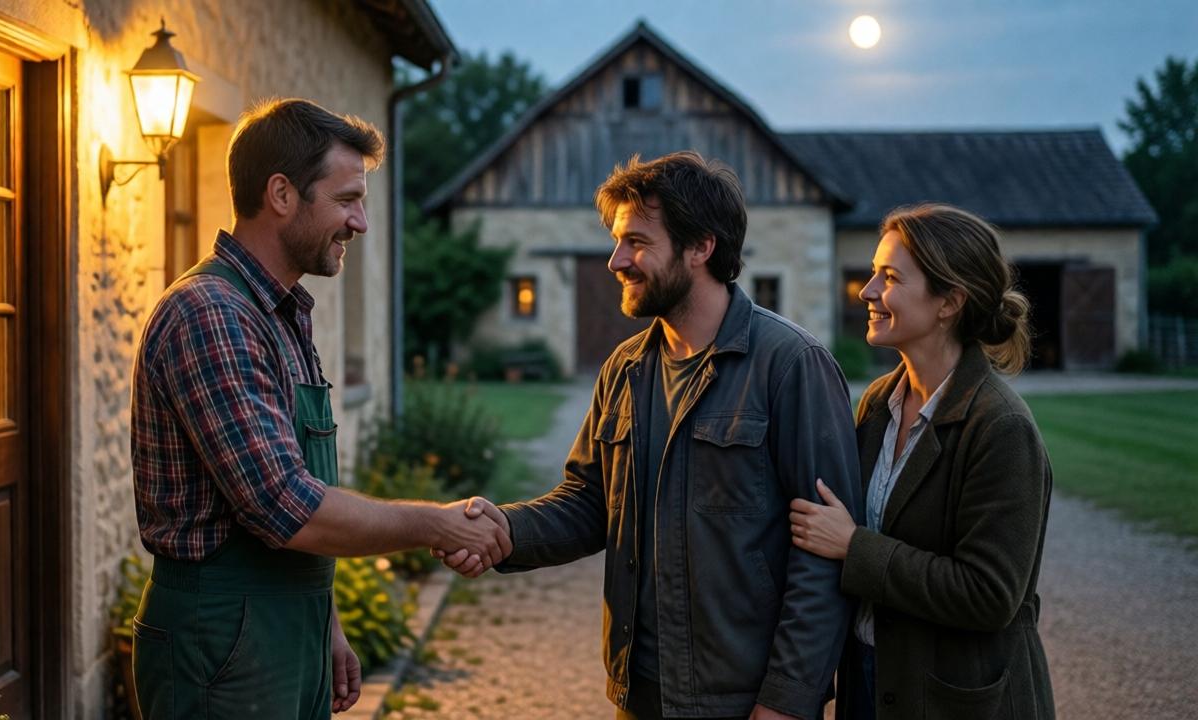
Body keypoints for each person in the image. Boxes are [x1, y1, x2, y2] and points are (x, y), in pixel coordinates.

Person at [444, 151, 863, 720]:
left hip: (741, 702)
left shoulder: (791, 365)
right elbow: (590, 503)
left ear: (701, 247)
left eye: (637, 241)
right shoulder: (625, 368)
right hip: (639, 693)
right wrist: (503, 531)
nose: (617, 260)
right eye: (618, 241)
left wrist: (788, 701)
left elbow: (824, 556)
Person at [129, 98, 510, 720]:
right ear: (281, 194)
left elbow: (303, 486)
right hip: (223, 642)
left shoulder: (281, 314)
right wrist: (435, 524)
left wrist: (324, 622)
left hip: (284, 631)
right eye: (346, 200)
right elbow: (284, 505)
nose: (360, 222)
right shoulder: (212, 316)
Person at [788, 203, 1056, 720]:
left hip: (960, 699)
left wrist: (853, 547)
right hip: (872, 682)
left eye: (889, 278)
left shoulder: (1001, 428)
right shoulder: (876, 405)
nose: (867, 292)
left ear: (948, 301)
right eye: (872, 274)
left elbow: (989, 595)